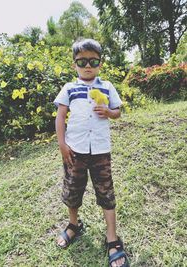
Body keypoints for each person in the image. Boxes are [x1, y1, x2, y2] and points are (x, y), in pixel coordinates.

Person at [54, 38, 129, 267]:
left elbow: (117, 112)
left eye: (93, 61)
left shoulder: (106, 86)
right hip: (75, 150)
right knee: (73, 189)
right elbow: (60, 117)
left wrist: (108, 111)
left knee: (106, 191)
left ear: (100, 63)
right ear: (74, 64)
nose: (88, 65)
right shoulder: (69, 88)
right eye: (82, 61)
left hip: (100, 150)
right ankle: (73, 224)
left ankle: (112, 237)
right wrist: (62, 144)